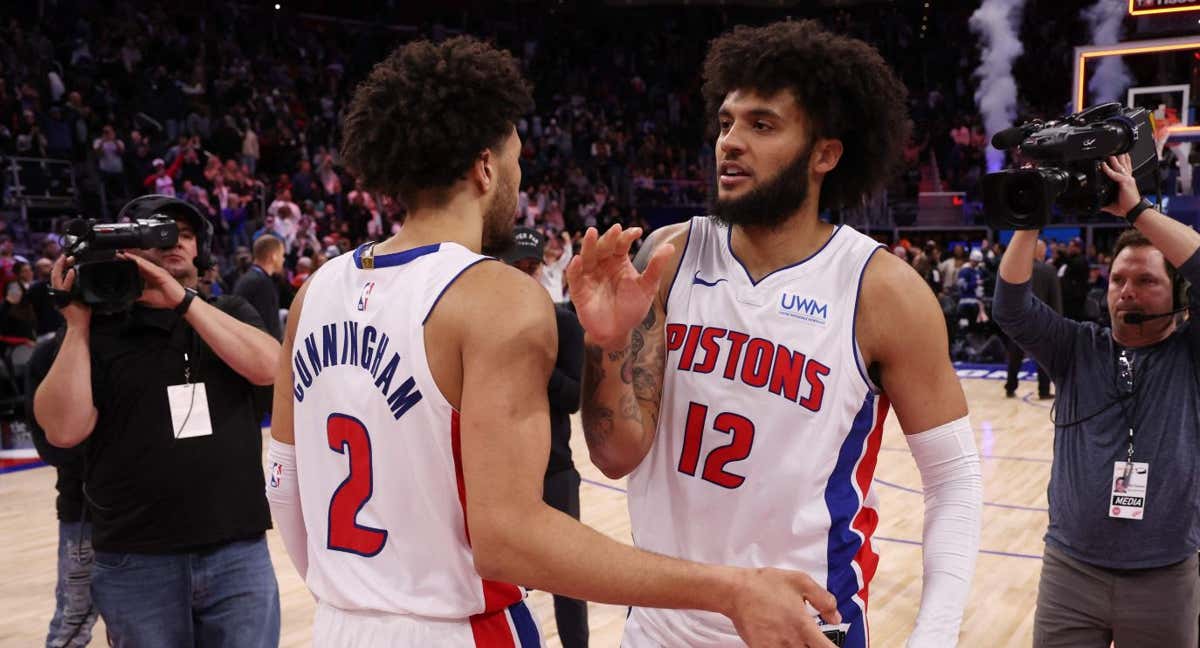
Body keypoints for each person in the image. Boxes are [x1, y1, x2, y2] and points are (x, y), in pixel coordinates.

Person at [265, 36, 841, 648]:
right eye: (515, 159)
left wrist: (354, 595)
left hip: (336, 622)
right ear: (485, 167)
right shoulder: (496, 296)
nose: (518, 175)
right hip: (458, 627)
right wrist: (729, 589)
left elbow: (283, 482)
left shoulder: (316, 288)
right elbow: (512, 538)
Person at [569, 21, 982, 648]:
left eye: (761, 125)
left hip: (803, 630)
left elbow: (954, 478)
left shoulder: (883, 291)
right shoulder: (669, 257)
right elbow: (615, 454)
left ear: (826, 154)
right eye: (727, 123)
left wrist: (937, 632)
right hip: (659, 629)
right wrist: (604, 343)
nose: (730, 143)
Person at [33, 195, 283, 647]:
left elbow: (272, 368)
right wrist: (77, 325)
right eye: (155, 232)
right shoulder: (93, 331)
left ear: (199, 251)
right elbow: (65, 430)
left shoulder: (227, 313)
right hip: (136, 561)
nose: (172, 242)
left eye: (184, 234)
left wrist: (180, 300)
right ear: (127, 245)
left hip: (236, 551)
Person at [994, 152, 1200, 648]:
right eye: (1117, 280)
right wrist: (1030, 217)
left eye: (1146, 281)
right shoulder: (1075, 347)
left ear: (1179, 297)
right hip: (1071, 571)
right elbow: (1011, 306)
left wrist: (1137, 210)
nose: (1126, 292)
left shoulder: (1190, 354)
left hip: (1165, 576)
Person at [501, 226, 589, 647]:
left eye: (530, 267)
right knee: (501, 586)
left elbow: (574, 397)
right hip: (500, 473)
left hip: (554, 471)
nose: (523, 274)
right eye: (514, 266)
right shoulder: (483, 324)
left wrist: (533, 361)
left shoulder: (564, 324)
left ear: (540, 271)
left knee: (570, 585)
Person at [27, 334, 100, 648]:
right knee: (75, 618)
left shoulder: (142, 337)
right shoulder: (47, 355)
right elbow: (51, 446)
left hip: (147, 509)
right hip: (82, 509)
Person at [1004, 239, 1061, 399]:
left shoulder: (1015, 269)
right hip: (1040, 319)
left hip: (1017, 320)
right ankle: (1043, 390)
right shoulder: (1048, 270)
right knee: (1043, 357)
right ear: (1041, 252)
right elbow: (1054, 299)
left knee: (1015, 355)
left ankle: (1010, 387)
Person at [233, 234, 284, 340]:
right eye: (282, 255)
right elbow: (267, 327)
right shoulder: (261, 283)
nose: (283, 260)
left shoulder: (248, 278)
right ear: (274, 256)